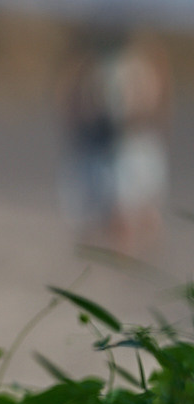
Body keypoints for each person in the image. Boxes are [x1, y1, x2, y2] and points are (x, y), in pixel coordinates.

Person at [61, 22, 171, 258]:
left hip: (130, 140)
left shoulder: (132, 66)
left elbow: (150, 102)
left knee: (130, 199)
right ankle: (122, 251)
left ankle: (128, 251)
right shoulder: (111, 66)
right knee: (119, 200)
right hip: (115, 140)